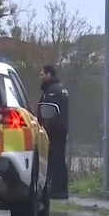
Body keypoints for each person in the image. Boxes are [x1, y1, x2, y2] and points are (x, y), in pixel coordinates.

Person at [37, 64, 70, 200]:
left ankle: (58, 190)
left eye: (42, 74)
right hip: (60, 129)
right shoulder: (60, 89)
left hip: (54, 130)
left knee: (55, 160)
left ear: (49, 74)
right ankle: (59, 189)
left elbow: (49, 111)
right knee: (59, 159)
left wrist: (44, 126)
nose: (40, 77)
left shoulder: (52, 91)